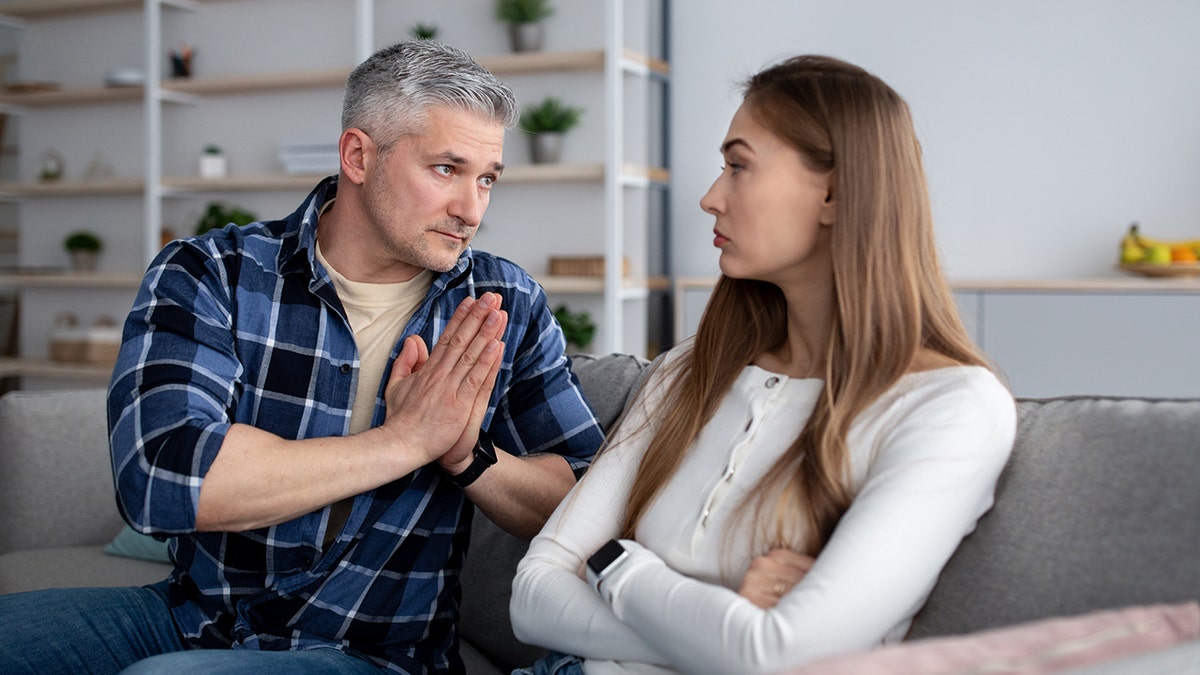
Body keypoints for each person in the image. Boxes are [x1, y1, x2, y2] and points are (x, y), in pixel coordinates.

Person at [0, 39, 604, 674]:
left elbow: (586, 499)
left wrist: (465, 455)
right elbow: (161, 478)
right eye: (446, 170)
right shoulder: (213, 273)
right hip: (193, 617)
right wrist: (405, 442)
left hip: (374, 655)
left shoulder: (504, 303)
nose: (472, 208)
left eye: (486, 178)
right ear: (357, 156)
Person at [509, 54, 1018, 674]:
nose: (710, 197)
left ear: (833, 191)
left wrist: (617, 565)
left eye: (738, 166)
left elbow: (776, 654)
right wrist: (720, 623)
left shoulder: (952, 407)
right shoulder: (688, 372)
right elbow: (532, 595)